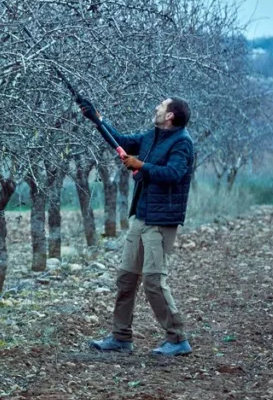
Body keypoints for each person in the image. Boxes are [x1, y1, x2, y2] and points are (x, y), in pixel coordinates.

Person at [77, 97, 195, 357]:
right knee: (126, 278)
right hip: (140, 217)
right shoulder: (151, 137)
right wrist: (97, 120)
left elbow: (174, 174)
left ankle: (177, 338)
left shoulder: (182, 143)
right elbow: (120, 141)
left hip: (161, 221)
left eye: (161, 107)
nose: (156, 108)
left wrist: (141, 165)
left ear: (170, 116)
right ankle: (121, 338)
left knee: (153, 281)